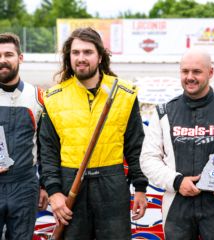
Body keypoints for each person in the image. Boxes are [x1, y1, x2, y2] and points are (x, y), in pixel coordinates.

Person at [39, 27, 148, 240]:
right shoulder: (53, 97)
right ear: (68, 57)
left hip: (112, 184)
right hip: (70, 184)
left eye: (87, 52)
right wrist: (53, 192)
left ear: (100, 57)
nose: (81, 58)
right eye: (75, 52)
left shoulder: (124, 93)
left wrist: (141, 187)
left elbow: (136, 146)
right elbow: (47, 151)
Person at [140, 48, 214, 240]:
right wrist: (177, 182)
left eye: (196, 72)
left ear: (210, 72)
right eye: (185, 71)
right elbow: (148, 159)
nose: (190, 77)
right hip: (177, 203)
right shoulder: (164, 112)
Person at [0, 33, 48, 240]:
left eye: (8, 54)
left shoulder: (38, 97)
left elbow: (46, 146)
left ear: (20, 58)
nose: (2, 60)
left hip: (25, 185)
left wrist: (45, 185)